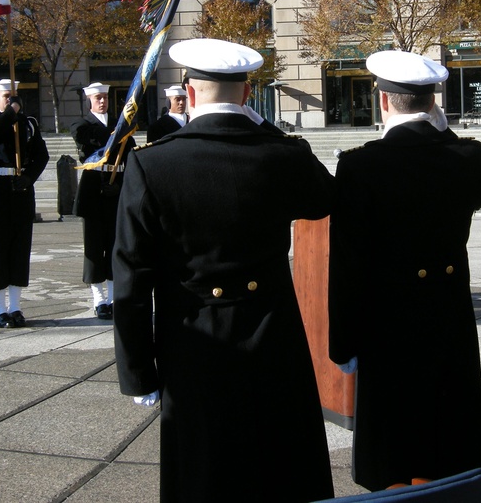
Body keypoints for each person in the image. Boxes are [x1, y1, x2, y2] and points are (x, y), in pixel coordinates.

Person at [113, 38, 335, 503]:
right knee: (278, 466)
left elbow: (131, 278)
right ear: (248, 93)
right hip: (272, 336)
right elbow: (325, 198)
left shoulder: (151, 164)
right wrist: (271, 133)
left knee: (203, 469)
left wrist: (138, 372)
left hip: (192, 342)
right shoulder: (281, 154)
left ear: (188, 94)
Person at [328, 50, 481, 490]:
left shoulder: (360, 165)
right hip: (448, 314)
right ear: (433, 102)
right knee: (448, 433)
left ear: (382, 100)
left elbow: (348, 265)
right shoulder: (467, 157)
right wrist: (440, 129)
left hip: (388, 323)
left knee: (394, 447)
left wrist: (343, 342)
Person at [0, 78, 49, 328]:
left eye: (13, 96)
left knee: (19, 251)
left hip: (21, 191)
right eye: (6, 96)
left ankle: (16, 307)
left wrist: (29, 177)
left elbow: (41, 155)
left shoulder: (28, 123)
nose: (10, 100)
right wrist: (10, 113)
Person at [70, 82, 133, 319]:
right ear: (89, 100)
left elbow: (130, 151)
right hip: (93, 190)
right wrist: (116, 132)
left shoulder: (120, 126)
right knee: (94, 248)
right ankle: (99, 300)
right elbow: (84, 138)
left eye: (105, 97)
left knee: (116, 245)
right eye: (98, 98)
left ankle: (115, 297)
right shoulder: (83, 123)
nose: (103, 101)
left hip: (115, 187)